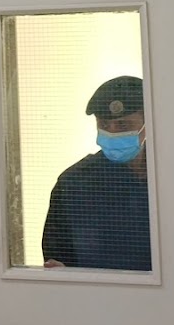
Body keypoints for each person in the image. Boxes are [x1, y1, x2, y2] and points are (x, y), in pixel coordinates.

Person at [41, 75, 152, 272]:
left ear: (149, 124)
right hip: (96, 290)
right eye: (104, 125)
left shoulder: (172, 175)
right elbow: (57, 259)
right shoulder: (75, 183)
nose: (113, 132)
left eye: (123, 125)